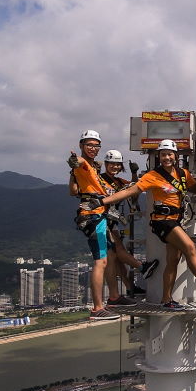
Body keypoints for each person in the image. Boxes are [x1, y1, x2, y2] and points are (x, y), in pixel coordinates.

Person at [99, 139, 196, 309]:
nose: (166, 157)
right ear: (159, 157)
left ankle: (166, 300)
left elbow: (194, 188)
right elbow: (130, 191)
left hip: (175, 220)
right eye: (163, 155)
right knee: (190, 248)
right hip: (162, 222)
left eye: (169, 154)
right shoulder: (152, 176)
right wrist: (103, 201)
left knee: (173, 260)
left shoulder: (183, 174)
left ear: (175, 156)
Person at [67, 130, 136, 320]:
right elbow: (77, 162)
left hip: (100, 216)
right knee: (101, 261)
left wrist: (75, 173)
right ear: (81, 145)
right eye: (89, 144)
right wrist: (74, 163)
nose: (93, 148)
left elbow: (73, 191)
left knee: (111, 257)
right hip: (93, 216)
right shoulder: (84, 164)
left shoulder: (92, 168)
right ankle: (97, 307)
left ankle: (114, 297)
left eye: (96, 145)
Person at [100, 150, 158, 295]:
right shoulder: (99, 180)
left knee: (117, 258)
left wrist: (134, 174)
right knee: (119, 250)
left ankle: (130, 288)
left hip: (111, 221)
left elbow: (133, 190)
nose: (115, 167)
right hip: (101, 220)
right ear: (106, 164)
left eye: (117, 165)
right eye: (112, 164)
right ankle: (142, 267)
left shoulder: (119, 182)